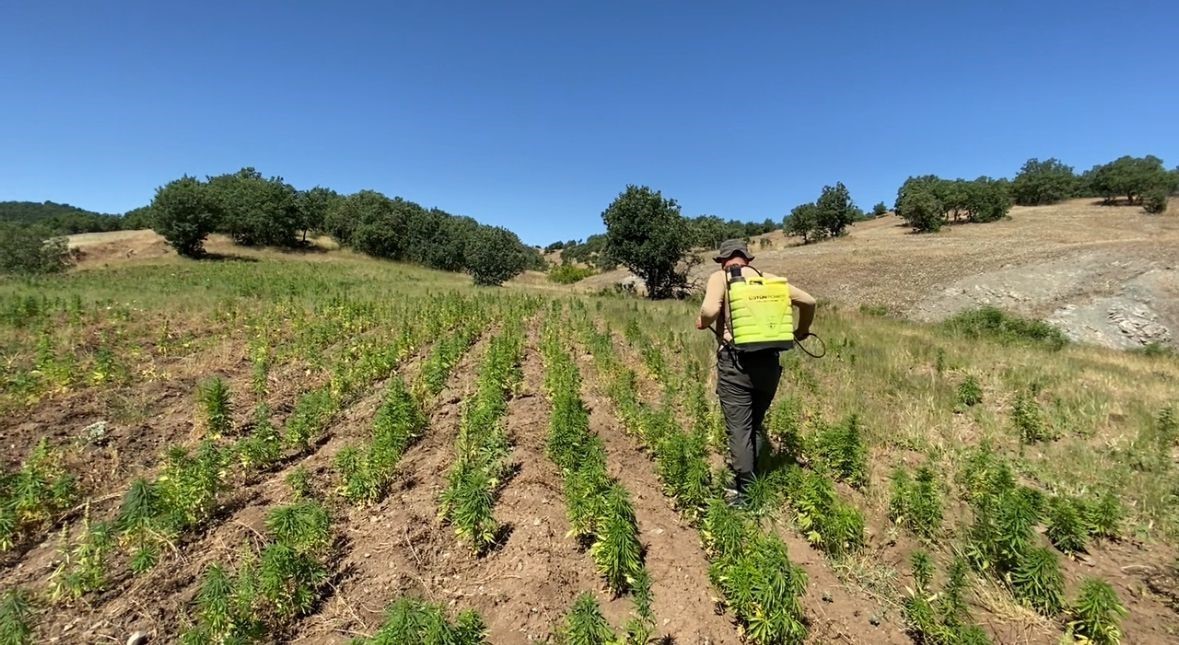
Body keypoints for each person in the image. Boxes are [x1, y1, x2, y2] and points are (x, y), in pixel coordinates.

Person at [695, 238, 816, 505]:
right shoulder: (769, 279)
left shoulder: (720, 277)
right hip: (769, 365)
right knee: (753, 423)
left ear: (723, 260)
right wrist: (801, 331)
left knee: (739, 428)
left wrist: (702, 322)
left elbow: (710, 309)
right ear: (748, 259)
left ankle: (745, 492)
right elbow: (808, 301)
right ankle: (752, 471)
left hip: (735, 364)